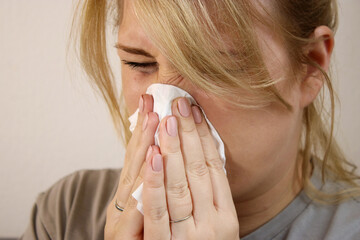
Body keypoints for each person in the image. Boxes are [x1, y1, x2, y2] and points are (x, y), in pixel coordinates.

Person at [21, 0, 360, 239]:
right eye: (139, 64)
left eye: (213, 69)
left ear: (310, 68)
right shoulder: (67, 214)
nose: (165, 108)